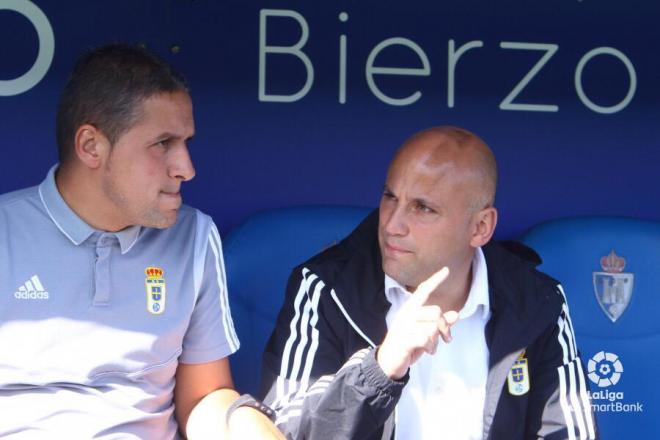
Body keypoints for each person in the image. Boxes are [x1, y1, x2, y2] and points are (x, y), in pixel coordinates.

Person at [0, 44, 282, 439]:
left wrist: (243, 428)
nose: (186, 168)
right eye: (162, 143)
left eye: (186, 143)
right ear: (91, 146)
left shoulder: (193, 235)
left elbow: (204, 397)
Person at [261, 126, 598, 439]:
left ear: (480, 227)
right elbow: (285, 431)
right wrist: (379, 369)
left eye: (422, 208)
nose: (392, 224)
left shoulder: (538, 301)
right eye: (390, 197)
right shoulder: (326, 288)